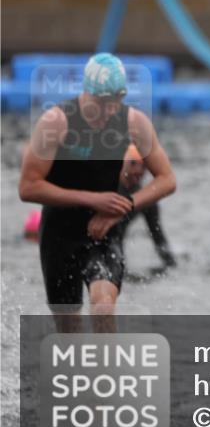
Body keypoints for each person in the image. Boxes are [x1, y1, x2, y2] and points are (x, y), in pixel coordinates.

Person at [18, 53, 177, 332]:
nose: (108, 111)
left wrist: (124, 206)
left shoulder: (133, 122)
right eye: (101, 103)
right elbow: (28, 187)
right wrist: (91, 198)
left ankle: (108, 363)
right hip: (59, 233)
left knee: (103, 306)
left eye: (115, 102)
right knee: (69, 332)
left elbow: (167, 179)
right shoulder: (56, 122)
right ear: (86, 93)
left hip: (104, 233)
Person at [110, 143, 178, 278]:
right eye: (133, 164)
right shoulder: (109, 190)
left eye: (143, 166)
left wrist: (171, 267)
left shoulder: (146, 199)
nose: (138, 170)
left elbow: (158, 236)